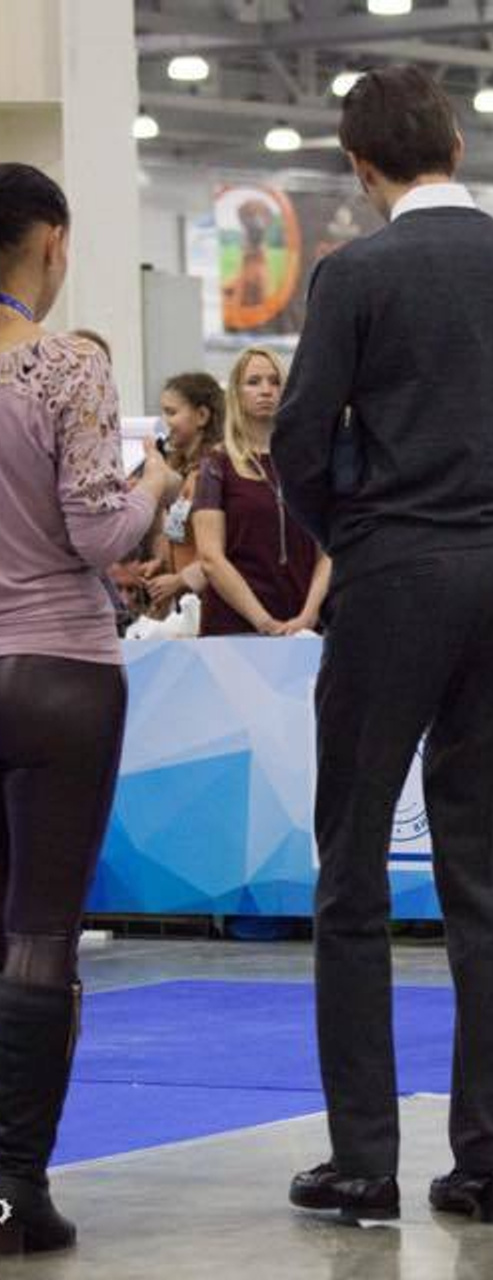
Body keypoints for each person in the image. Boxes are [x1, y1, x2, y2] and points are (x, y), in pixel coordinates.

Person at [273, 64, 493, 1226]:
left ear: (360, 166)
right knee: (485, 880)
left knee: (352, 872)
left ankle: (362, 1162)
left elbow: (300, 439)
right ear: (455, 142)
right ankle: (486, 1161)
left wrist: (354, 530)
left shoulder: (353, 272)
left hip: (392, 572)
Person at [0, 164, 181, 1255]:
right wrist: (155, 479)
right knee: (39, 934)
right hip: (62, 669)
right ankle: (18, 1185)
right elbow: (99, 536)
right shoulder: (65, 367)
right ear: (53, 243)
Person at [191, 348, 330, 636]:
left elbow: (329, 551)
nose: (266, 390)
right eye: (253, 381)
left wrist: (308, 615)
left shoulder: (308, 462)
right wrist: (262, 620)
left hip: (301, 626)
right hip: (234, 629)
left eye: (275, 381)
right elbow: (210, 558)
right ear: (236, 393)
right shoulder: (217, 464)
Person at [143, 371, 225, 614]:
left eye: (171, 412)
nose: (164, 421)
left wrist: (180, 581)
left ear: (201, 416)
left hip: (213, 604)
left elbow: (223, 549)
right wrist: (163, 562)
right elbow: (183, 535)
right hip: (189, 606)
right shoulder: (184, 469)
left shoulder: (216, 471)